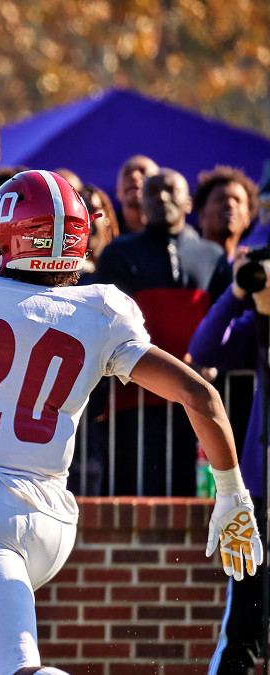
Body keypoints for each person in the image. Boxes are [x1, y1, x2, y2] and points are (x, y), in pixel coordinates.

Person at [0, 169, 263, 675]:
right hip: (53, 523)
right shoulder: (99, 311)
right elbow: (200, 395)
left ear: (2, 236)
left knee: (17, 668)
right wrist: (232, 493)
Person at [95, 169, 231, 495]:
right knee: (135, 498)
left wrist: (214, 361)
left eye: (170, 190)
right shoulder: (119, 253)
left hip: (196, 402)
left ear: (188, 202)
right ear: (140, 200)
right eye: (153, 190)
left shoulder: (213, 257)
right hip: (135, 402)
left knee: (192, 498)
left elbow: (229, 321)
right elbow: (106, 320)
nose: (162, 197)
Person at [189, 249, 270, 674]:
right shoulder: (259, 324)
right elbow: (203, 348)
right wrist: (240, 290)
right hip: (261, 491)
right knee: (242, 631)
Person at [195, 166, 258, 262]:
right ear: (202, 214)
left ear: (247, 218)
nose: (230, 204)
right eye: (220, 199)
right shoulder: (182, 262)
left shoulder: (251, 268)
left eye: (238, 200)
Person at [76, 184, 119, 285]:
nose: (85, 218)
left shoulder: (122, 261)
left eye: (91, 209)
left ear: (107, 216)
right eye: (79, 212)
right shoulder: (63, 276)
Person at [115, 154, 159, 234]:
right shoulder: (104, 239)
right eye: (127, 173)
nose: (133, 176)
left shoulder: (181, 240)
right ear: (117, 192)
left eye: (143, 171)